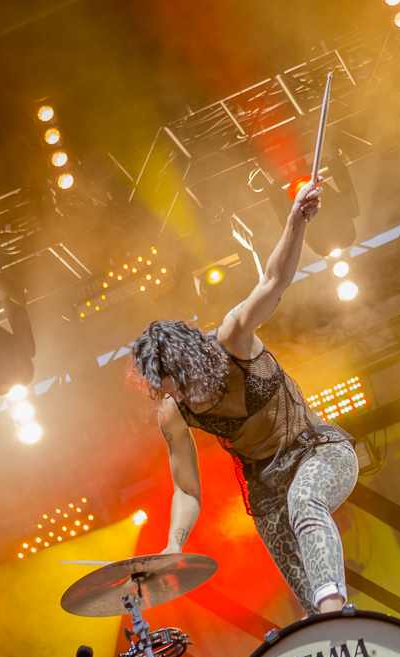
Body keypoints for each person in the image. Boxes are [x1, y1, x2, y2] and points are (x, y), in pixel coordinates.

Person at [130, 181, 359, 617]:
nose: (173, 392)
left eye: (175, 380)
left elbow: (274, 280)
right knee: (307, 601)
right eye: (163, 386)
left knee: (306, 503)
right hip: (266, 489)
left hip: (319, 452)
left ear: (191, 360)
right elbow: (186, 488)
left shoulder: (233, 337)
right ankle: (336, 630)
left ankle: (334, 608)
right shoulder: (172, 412)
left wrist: (295, 222)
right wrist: (173, 544)